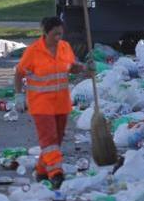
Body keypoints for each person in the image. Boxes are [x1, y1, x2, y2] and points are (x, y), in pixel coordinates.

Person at [14, 16, 91, 190]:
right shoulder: (33, 51)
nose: (58, 38)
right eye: (55, 34)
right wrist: (19, 96)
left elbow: (71, 67)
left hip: (61, 103)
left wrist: (85, 67)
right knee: (49, 139)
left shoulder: (65, 48)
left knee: (56, 140)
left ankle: (42, 171)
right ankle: (56, 173)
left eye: (60, 34)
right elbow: (19, 73)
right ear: (46, 33)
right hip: (41, 104)